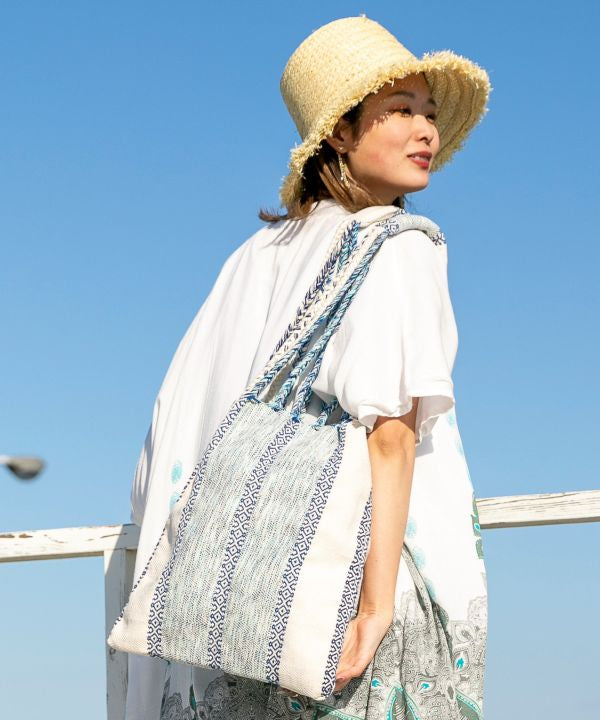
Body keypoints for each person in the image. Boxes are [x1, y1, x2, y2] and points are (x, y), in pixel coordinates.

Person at [125, 15, 491, 720]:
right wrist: (377, 607)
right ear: (340, 134)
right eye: (399, 110)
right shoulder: (401, 244)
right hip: (358, 595)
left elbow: (173, 426)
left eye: (428, 112)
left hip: (238, 606)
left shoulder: (252, 258)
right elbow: (392, 434)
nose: (426, 131)